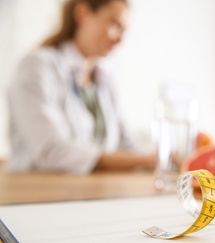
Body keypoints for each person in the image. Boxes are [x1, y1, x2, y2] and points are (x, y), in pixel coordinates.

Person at [6, 0, 156, 174]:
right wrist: (142, 160)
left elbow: (126, 143)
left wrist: (161, 156)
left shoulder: (103, 81)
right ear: (82, 13)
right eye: (115, 24)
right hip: (39, 195)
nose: (120, 39)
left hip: (92, 194)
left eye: (123, 31)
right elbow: (51, 150)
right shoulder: (38, 66)